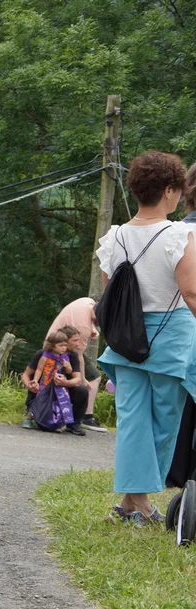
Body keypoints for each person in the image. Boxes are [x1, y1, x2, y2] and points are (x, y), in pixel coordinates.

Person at [97, 152, 196, 524]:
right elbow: (191, 292)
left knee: (133, 420)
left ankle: (130, 503)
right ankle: (139, 503)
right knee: (163, 422)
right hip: (170, 335)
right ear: (169, 190)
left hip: (126, 337)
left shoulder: (113, 237)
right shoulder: (177, 235)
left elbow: (110, 293)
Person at [45, 297, 105, 431]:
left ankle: (80, 417)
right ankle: (86, 417)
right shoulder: (82, 327)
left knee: (86, 379)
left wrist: (93, 327)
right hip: (62, 351)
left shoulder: (88, 302)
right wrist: (82, 379)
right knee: (93, 378)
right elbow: (78, 356)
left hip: (57, 345)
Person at [20, 324, 88, 435]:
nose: (78, 344)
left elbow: (78, 379)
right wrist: (30, 385)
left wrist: (66, 382)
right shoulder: (43, 354)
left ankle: (73, 424)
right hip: (44, 386)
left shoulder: (72, 356)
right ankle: (33, 415)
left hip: (62, 388)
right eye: (74, 340)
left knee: (82, 390)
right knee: (36, 382)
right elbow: (26, 375)